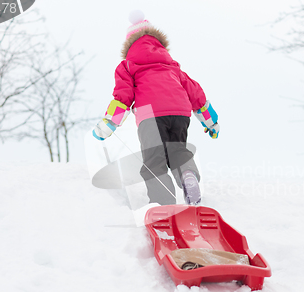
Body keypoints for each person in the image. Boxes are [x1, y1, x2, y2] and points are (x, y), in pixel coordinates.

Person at [92, 10, 220, 206]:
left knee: (154, 158)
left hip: (149, 114)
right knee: (177, 150)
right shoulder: (172, 67)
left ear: (129, 45)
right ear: (158, 43)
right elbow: (198, 96)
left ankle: (164, 203)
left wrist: (108, 124)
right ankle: (187, 174)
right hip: (179, 112)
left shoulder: (127, 65)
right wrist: (212, 123)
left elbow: (122, 98)